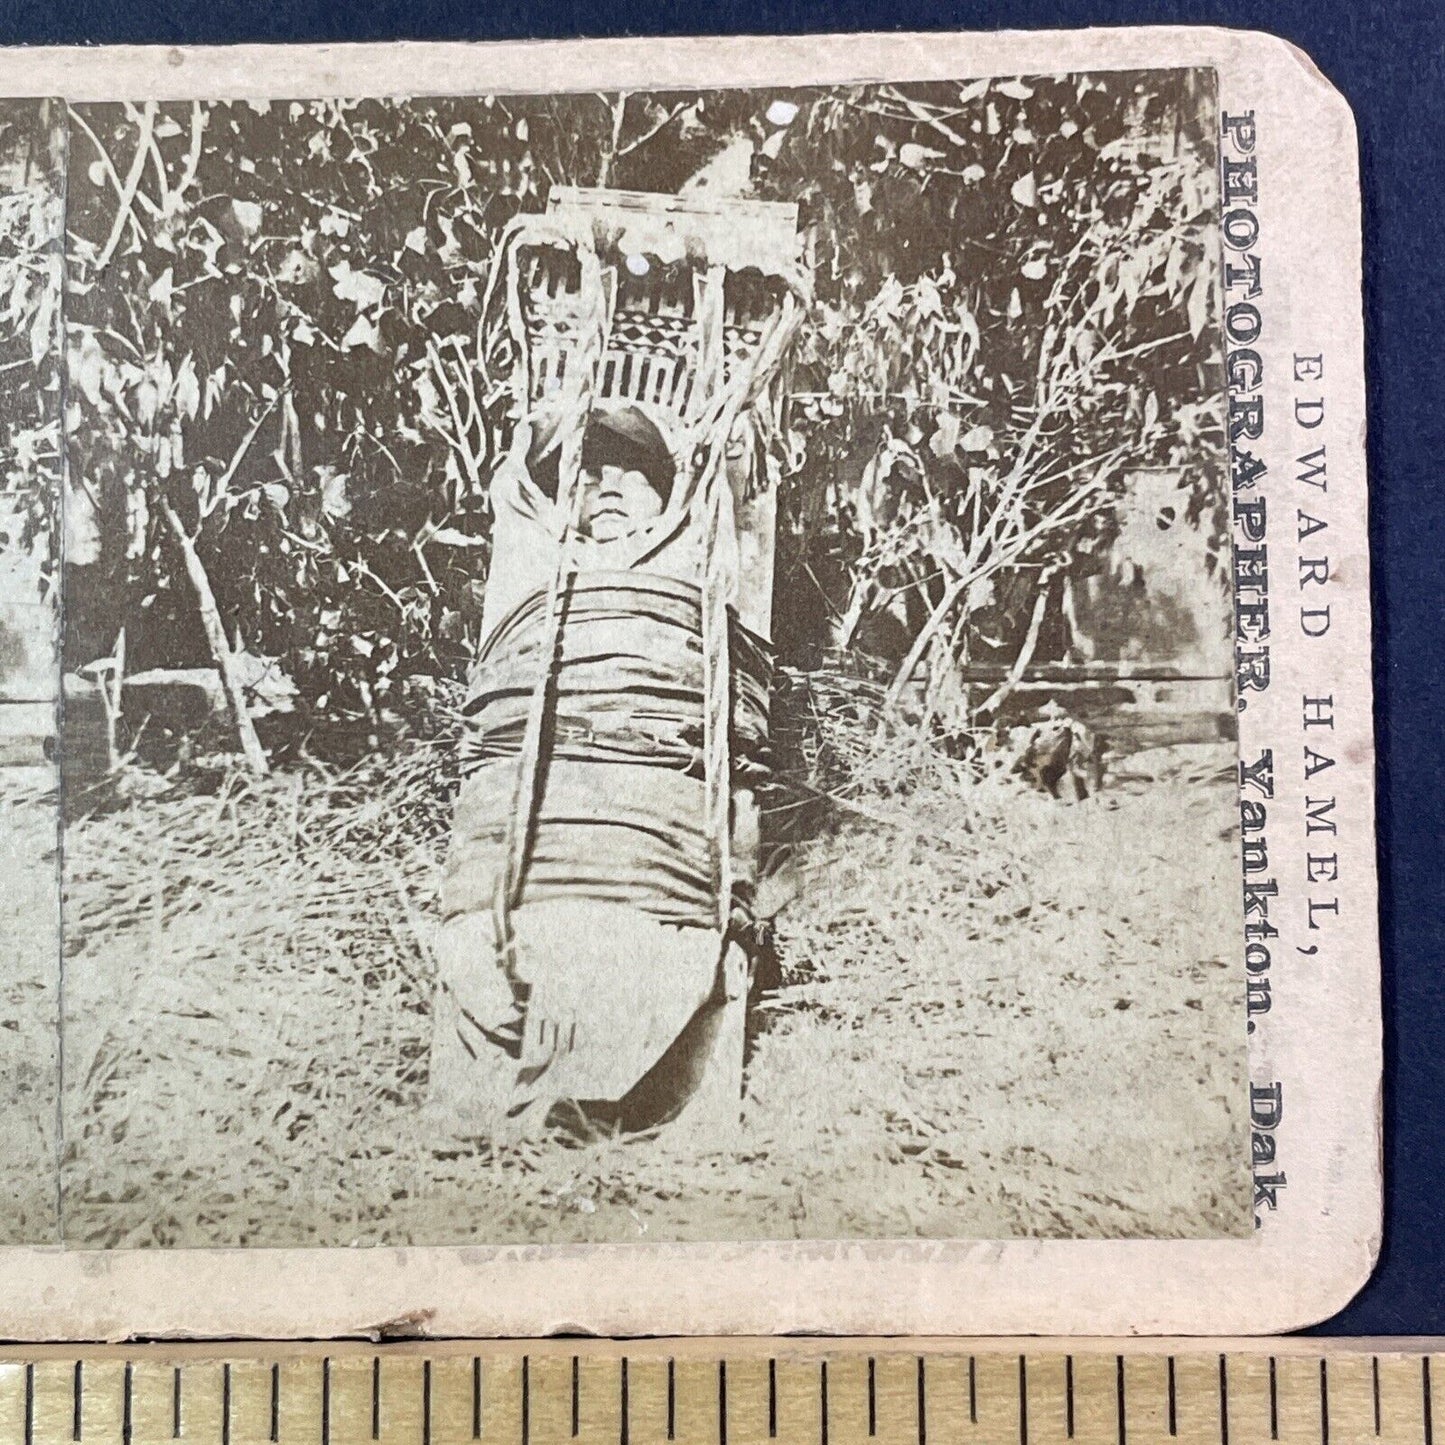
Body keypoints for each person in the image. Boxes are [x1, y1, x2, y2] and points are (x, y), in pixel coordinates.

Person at [426, 399, 769, 1142]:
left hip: (647, 843)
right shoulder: (541, 580)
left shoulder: (687, 576)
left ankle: (592, 1090)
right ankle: (539, 1088)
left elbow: (731, 752)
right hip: (536, 840)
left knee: (646, 953)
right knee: (501, 947)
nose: (607, 487)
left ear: (665, 493)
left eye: (631, 474)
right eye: (589, 474)